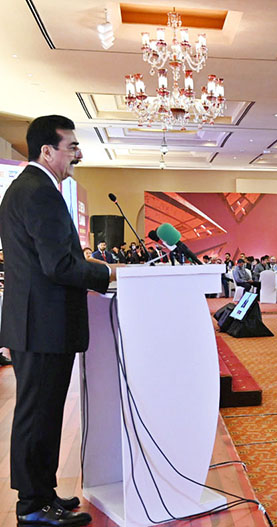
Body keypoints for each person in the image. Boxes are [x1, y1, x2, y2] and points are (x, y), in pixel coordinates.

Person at [0, 115, 121, 527]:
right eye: (71, 147)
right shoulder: (38, 192)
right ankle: (32, 506)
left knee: (44, 414)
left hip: (39, 324)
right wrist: (106, 273)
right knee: (37, 415)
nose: (78, 154)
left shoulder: (34, 189)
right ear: (47, 151)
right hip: (42, 325)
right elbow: (59, 265)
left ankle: (43, 494)